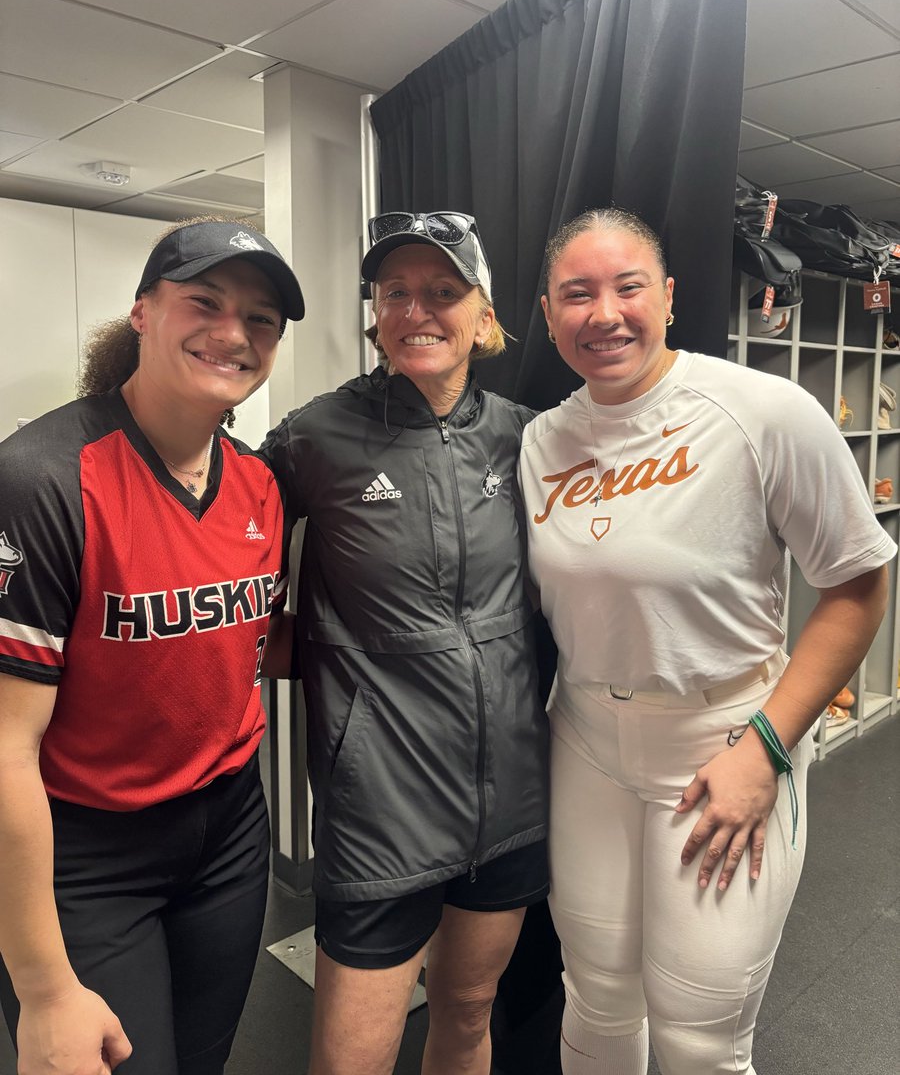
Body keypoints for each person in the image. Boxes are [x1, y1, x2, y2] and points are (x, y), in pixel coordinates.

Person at [518, 207, 895, 1075]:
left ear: (670, 296)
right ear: (547, 315)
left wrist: (767, 749)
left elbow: (860, 584)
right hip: (585, 742)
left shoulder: (763, 412)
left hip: (725, 743)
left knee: (698, 1037)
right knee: (596, 998)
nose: (603, 313)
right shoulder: (541, 442)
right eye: (577, 294)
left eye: (628, 287)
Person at [0, 218, 305, 1075]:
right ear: (142, 312)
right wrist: (42, 986)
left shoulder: (258, 483)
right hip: (90, 851)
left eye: (261, 321)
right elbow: (2, 747)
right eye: (204, 302)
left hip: (229, 833)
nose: (233, 334)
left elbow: (241, 644)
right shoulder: (43, 479)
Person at [262, 211, 550, 1075]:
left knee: (466, 1011)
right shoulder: (319, 436)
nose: (417, 309)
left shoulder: (527, 436)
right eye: (396, 293)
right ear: (375, 314)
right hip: (379, 805)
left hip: (508, 798)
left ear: (483, 314)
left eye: (442, 291)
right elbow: (217, 541)